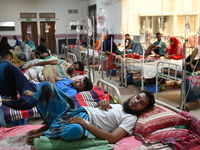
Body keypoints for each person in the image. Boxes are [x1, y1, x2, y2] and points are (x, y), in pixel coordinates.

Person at [24, 86, 155, 145]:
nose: (136, 101)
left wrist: (86, 125)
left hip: (83, 122)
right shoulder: (119, 105)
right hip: (75, 111)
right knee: (48, 87)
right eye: (137, 97)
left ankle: (45, 132)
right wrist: (100, 103)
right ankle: (44, 121)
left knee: (74, 131)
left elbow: (113, 138)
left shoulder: (130, 118)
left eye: (141, 103)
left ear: (143, 109)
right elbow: (98, 111)